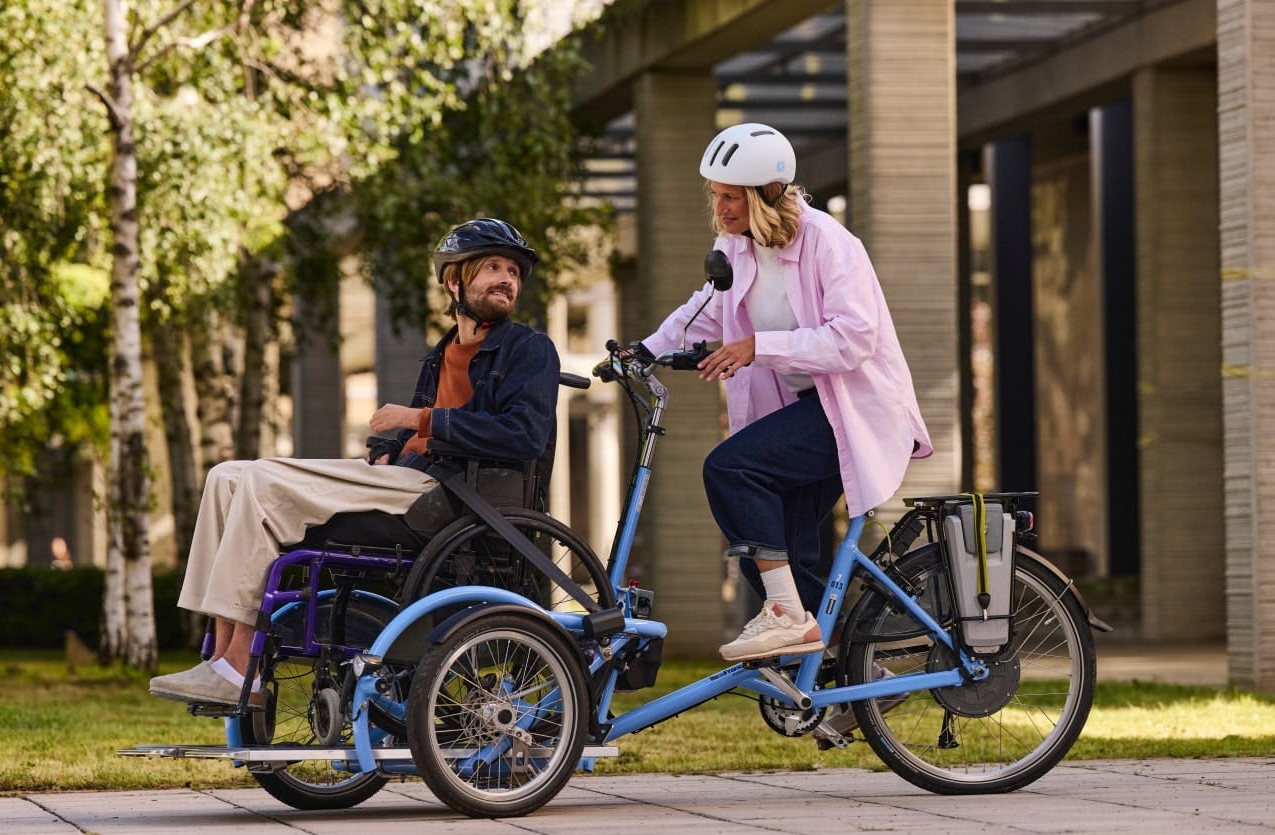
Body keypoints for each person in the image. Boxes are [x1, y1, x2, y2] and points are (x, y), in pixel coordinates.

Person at [149, 218, 560, 705]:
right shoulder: (441, 353)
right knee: (227, 477)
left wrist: (422, 419)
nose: (507, 279)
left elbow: (523, 434)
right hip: (407, 478)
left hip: (456, 496)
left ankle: (241, 669)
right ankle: (219, 659)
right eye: (493, 267)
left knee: (260, 480)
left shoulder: (529, 350)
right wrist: (391, 443)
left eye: (513, 271)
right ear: (455, 279)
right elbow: (416, 430)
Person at [638, 123, 933, 662]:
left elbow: (853, 338)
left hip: (852, 408)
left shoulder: (829, 242)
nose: (721, 207)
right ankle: (857, 677)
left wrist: (758, 346)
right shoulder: (735, 246)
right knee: (775, 554)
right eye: (717, 195)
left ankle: (786, 617)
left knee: (731, 469)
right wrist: (644, 349)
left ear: (766, 195)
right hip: (802, 409)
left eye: (732, 196)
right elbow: (705, 308)